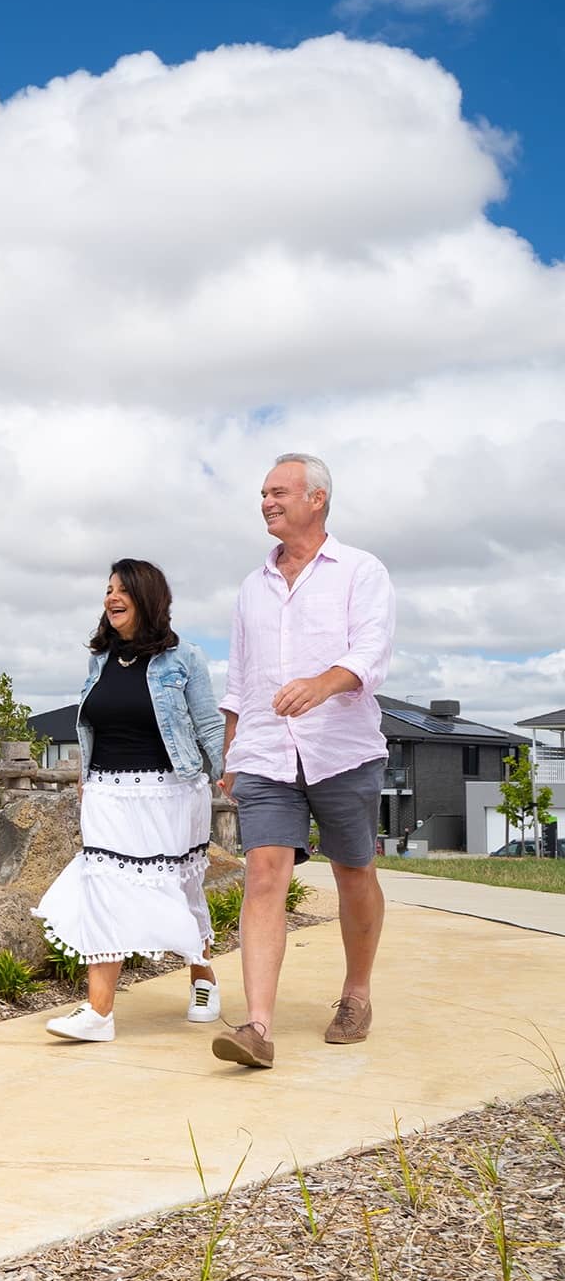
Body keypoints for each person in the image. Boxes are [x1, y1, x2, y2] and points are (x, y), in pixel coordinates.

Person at [212, 453, 395, 1070]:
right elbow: (239, 679)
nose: (267, 502)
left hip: (342, 752)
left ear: (317, 499)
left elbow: (372, 652)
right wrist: (232, 750)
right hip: (265, 751)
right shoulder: (251, 586)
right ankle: (257, 1027)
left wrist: (323, 684)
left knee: (353, 872)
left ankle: (356, 993)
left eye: (279, 492)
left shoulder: (361, 571)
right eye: (263, 494)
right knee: (264, 874)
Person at [38, 558, 225, 1043]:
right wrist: (86, 779)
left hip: (171, 792)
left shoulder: (185, 658)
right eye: (108, 590)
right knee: (104, 889)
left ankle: (203, 977)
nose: (111, 598)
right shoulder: (100, 660)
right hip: (106, 793)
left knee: (180, 887)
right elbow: (92, 727)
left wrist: (226, 773)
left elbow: (208, 723)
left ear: (148, 598)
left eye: (122, 590)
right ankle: (99, 1013)